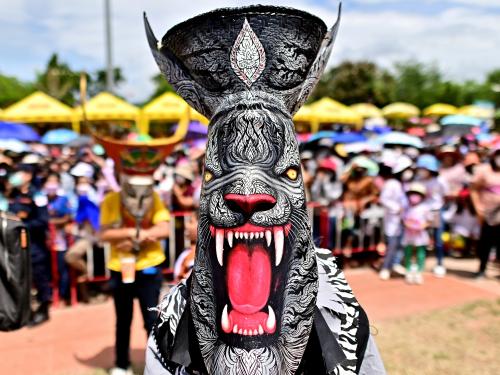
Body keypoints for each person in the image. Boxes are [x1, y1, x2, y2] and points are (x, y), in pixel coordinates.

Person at [144, 5, 385, 374]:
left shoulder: (344, 324)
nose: (248, 191)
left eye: (285, 172)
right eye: (217, 174)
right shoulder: (171, 330)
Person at [95, 134, 175, 375]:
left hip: (149, 267)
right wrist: (137, 232)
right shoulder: (111, 201)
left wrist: (133, 235)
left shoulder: (157, 200)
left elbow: (164, 228)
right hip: (121, 268)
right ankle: (122, 364)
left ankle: (157, 363)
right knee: (123, 319)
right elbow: (105, 234)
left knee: (152, 320)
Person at [8, 162, 52, 326]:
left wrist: (22, 224)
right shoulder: (14, 195)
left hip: (35, 245)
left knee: (40, 276)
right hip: (17, 246)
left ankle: (44, 309)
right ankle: (28, 311)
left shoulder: (37, 196)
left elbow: (43, 221)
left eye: (19, 173)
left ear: (28, 176)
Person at [378, 156, 412, 280]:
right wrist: (397, 208)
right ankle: (386, 267)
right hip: (393, 219)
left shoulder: (404, 185)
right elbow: (384, 199)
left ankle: (395, 265)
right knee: (392, 245)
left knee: (400, 244)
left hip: (402, 220)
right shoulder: (392, 183)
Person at [415, 154, 448, 277]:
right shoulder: (418, 180)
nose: (422, 171)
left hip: (436, 212)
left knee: (438, 239)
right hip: (421, 213)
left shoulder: (440, 180)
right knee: (420, 238)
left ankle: (439, 263)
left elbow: (445, 195)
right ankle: (419, 262)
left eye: (424, 168)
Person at [470, 147, 500, 278]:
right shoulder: (484, 170)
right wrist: (478, 208)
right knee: (486, 241)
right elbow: (474, 189)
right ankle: (482, 269)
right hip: (488, 212)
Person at [44, 173, 72, 303]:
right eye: (49, 181)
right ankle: (48, 295)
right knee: (46, 269)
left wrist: (53, 222)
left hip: (60, 240)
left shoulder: (63, 200)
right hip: (44, 240)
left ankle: (62, 295)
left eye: (54, 181)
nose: (52, 184)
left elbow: (67, 218)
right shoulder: (41, 199)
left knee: (61, 268)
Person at [402, 183, 432, 285]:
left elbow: (429, 220)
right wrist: (408, 225)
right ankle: (409, 271)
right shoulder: (407, 208)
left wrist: (422, 226)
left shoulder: (425, 208)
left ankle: (419, 272)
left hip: (420, 235)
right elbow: (404, 219)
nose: (414, 196)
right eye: (412, 194)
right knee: (408, 252)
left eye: (417, 194)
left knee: (420, 253)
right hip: (409, 234)